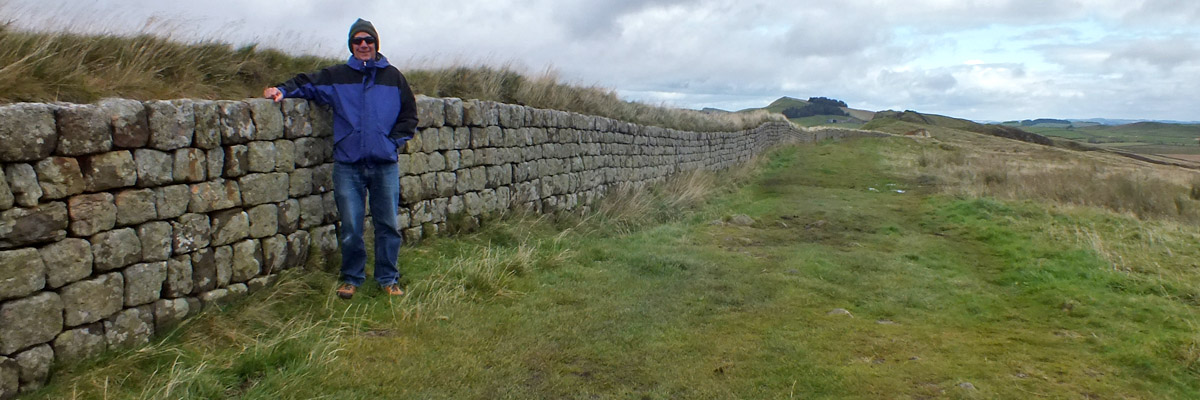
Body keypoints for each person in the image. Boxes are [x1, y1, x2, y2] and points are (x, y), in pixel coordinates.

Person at [264, 18, 417, 299]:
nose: (363, 45)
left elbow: (409, 116)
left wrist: (391, 143)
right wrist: (281, 90)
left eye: (368, 40)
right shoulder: (337, 75)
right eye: (357, 41)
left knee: (387, 225)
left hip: (384, 164)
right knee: (351, 226)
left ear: (376, 43)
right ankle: (352, 278)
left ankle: (388, 279)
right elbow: (307, 83)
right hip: (348, 164)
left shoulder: (394, 77)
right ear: (351, 45)